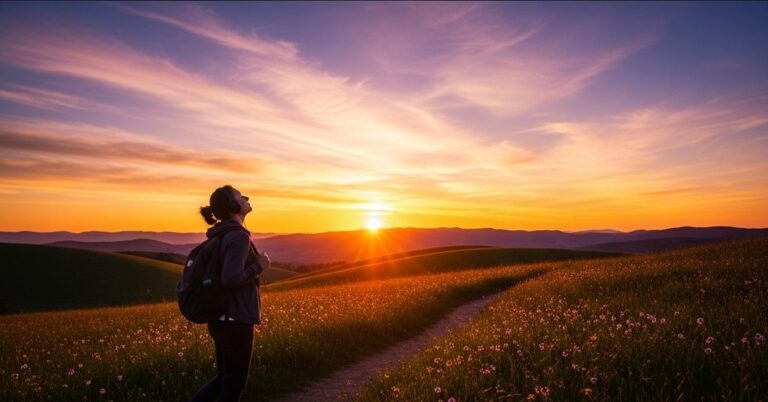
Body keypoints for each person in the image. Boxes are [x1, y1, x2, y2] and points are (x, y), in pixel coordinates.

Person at [190, 185, 270, 402]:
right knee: (234, 383)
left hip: (221, 316)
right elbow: (230, 277)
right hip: (235, 319)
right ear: (234, 206)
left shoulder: (222, 234)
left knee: (224, 380)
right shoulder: (238, 237)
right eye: (241, 196)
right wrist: (260, 266)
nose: (246, 198)